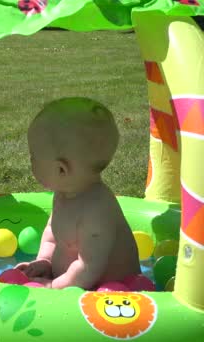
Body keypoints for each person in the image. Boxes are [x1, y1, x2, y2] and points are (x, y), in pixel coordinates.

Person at [15, 97, 140, 289]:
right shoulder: (64, 192)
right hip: (73, 285)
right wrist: (45, 261)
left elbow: (89, 267)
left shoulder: (97, 209)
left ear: (61, 170)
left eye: (34, 157)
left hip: (109, 295)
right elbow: (52, 233)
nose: (30, 162)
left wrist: (51, 287)